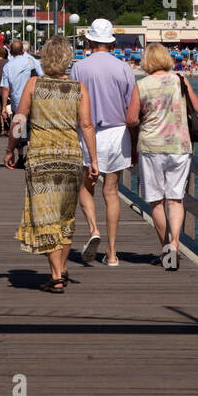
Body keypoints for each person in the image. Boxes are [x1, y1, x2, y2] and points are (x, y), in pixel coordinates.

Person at [10, 35, 98, 292]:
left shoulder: (33, 84)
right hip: (70, 158)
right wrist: (93, 159)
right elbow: (87, 125)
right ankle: (61, 269)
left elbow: (19, 119)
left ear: (45, 59)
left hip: (41, 159)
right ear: (68, 59)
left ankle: (57, 274)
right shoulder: (78, 88)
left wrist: (11, 148)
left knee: (45, 216)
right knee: (65, 217)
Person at [70, 18, 140, 267]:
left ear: (89, 41)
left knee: (86, 187)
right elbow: (132, 110)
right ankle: (111, 253)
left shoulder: (79, 67)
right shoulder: (123, 68)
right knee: (111, 192)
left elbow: (73, 104)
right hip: (118, 133)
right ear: (111, 42)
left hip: (89, 133)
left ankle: (93, 230)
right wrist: (134, 146)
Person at [135, 44, 198, 270]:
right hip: (179, 145)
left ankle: (166, 250)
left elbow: (131, 119)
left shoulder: (141, 85)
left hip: (151, 146)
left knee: (156, 201)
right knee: (175, 199)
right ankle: (174, 244)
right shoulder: (179, 79)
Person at [1, 38, 43, 165]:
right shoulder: (32, 61)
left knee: (18, 129)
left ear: (11, 51)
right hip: (32, 100)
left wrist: (3, 106)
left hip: (16, 102)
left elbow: (6, 88)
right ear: (23, 50)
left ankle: (20, 156)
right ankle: (29, 157)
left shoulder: (8, 66)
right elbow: (41, 77)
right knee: (31, 128)